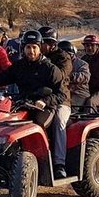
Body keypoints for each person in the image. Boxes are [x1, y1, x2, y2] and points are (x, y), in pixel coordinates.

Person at [0, 30, 66, 178]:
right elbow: (1, 78)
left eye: (34, 47)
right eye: (28, 47)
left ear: (40, 48)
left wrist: (45, 101)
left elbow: (61, 94)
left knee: (38, 125)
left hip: (45, 106)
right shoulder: (19, 66)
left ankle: (57, 163)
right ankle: (1, 158)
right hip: (23, 103)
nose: (31, 51)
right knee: (4, 123)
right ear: (23, 48)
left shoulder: (51, 69)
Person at [39, 27, 72, 178]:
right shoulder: (34, 57)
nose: (40, 46)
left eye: (43, 43)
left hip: (61, 99)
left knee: (59, 120)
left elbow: (60, 76)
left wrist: (45, 62)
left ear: (52, 43)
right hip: (40, 98)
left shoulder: (63, 58)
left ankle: (59, 164)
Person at [58, 40, 91, 109]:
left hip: (79, 92)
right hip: (62, 92)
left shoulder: (82, 64)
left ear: (71, 54)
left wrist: (71, 77)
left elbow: (85, 77)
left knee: (69, 107)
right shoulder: (58, 63)